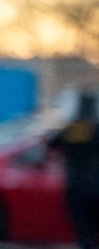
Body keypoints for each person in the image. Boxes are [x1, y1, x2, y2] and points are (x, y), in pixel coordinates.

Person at [50, 91, 99, 248]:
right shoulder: (97, 129)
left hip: (75, 188)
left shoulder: (72, 129)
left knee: (84, 234)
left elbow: (51, 144)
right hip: (96, 187)